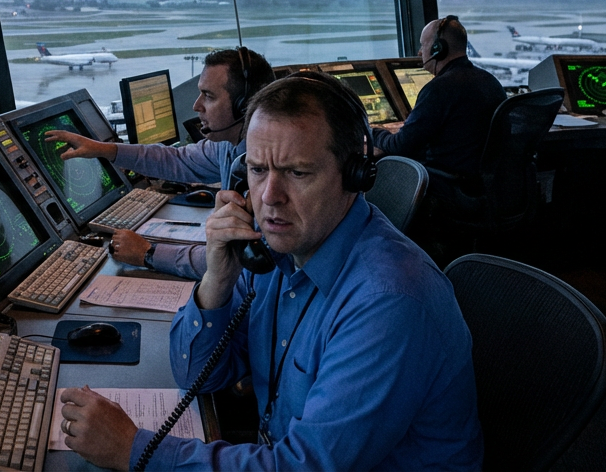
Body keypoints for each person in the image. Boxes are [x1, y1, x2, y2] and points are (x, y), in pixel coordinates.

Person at [56, 73, 483, 471]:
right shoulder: (275, 251)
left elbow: (303, 465)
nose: (269, 197)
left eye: (297, 172)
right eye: (258, 170)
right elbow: (198, 375)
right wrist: (217, 280)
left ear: (355, 175)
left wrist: (134, 449)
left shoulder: (388, 302)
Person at [44, 47, 274, 279]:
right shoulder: (228, 146)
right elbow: (176, 160)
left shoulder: (269, 173)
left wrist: (148, 253)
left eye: (209, 96)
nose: (196, 106)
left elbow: (231, 263)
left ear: (244, 106)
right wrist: (103, 150)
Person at [372, 15, 506, 183]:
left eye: (423, 45)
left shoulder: (439, 89)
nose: (420, 52)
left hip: (449, 186)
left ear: (438, 48)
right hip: (488, 184)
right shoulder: (490, 81)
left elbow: (400, 146)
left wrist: (373, 132)